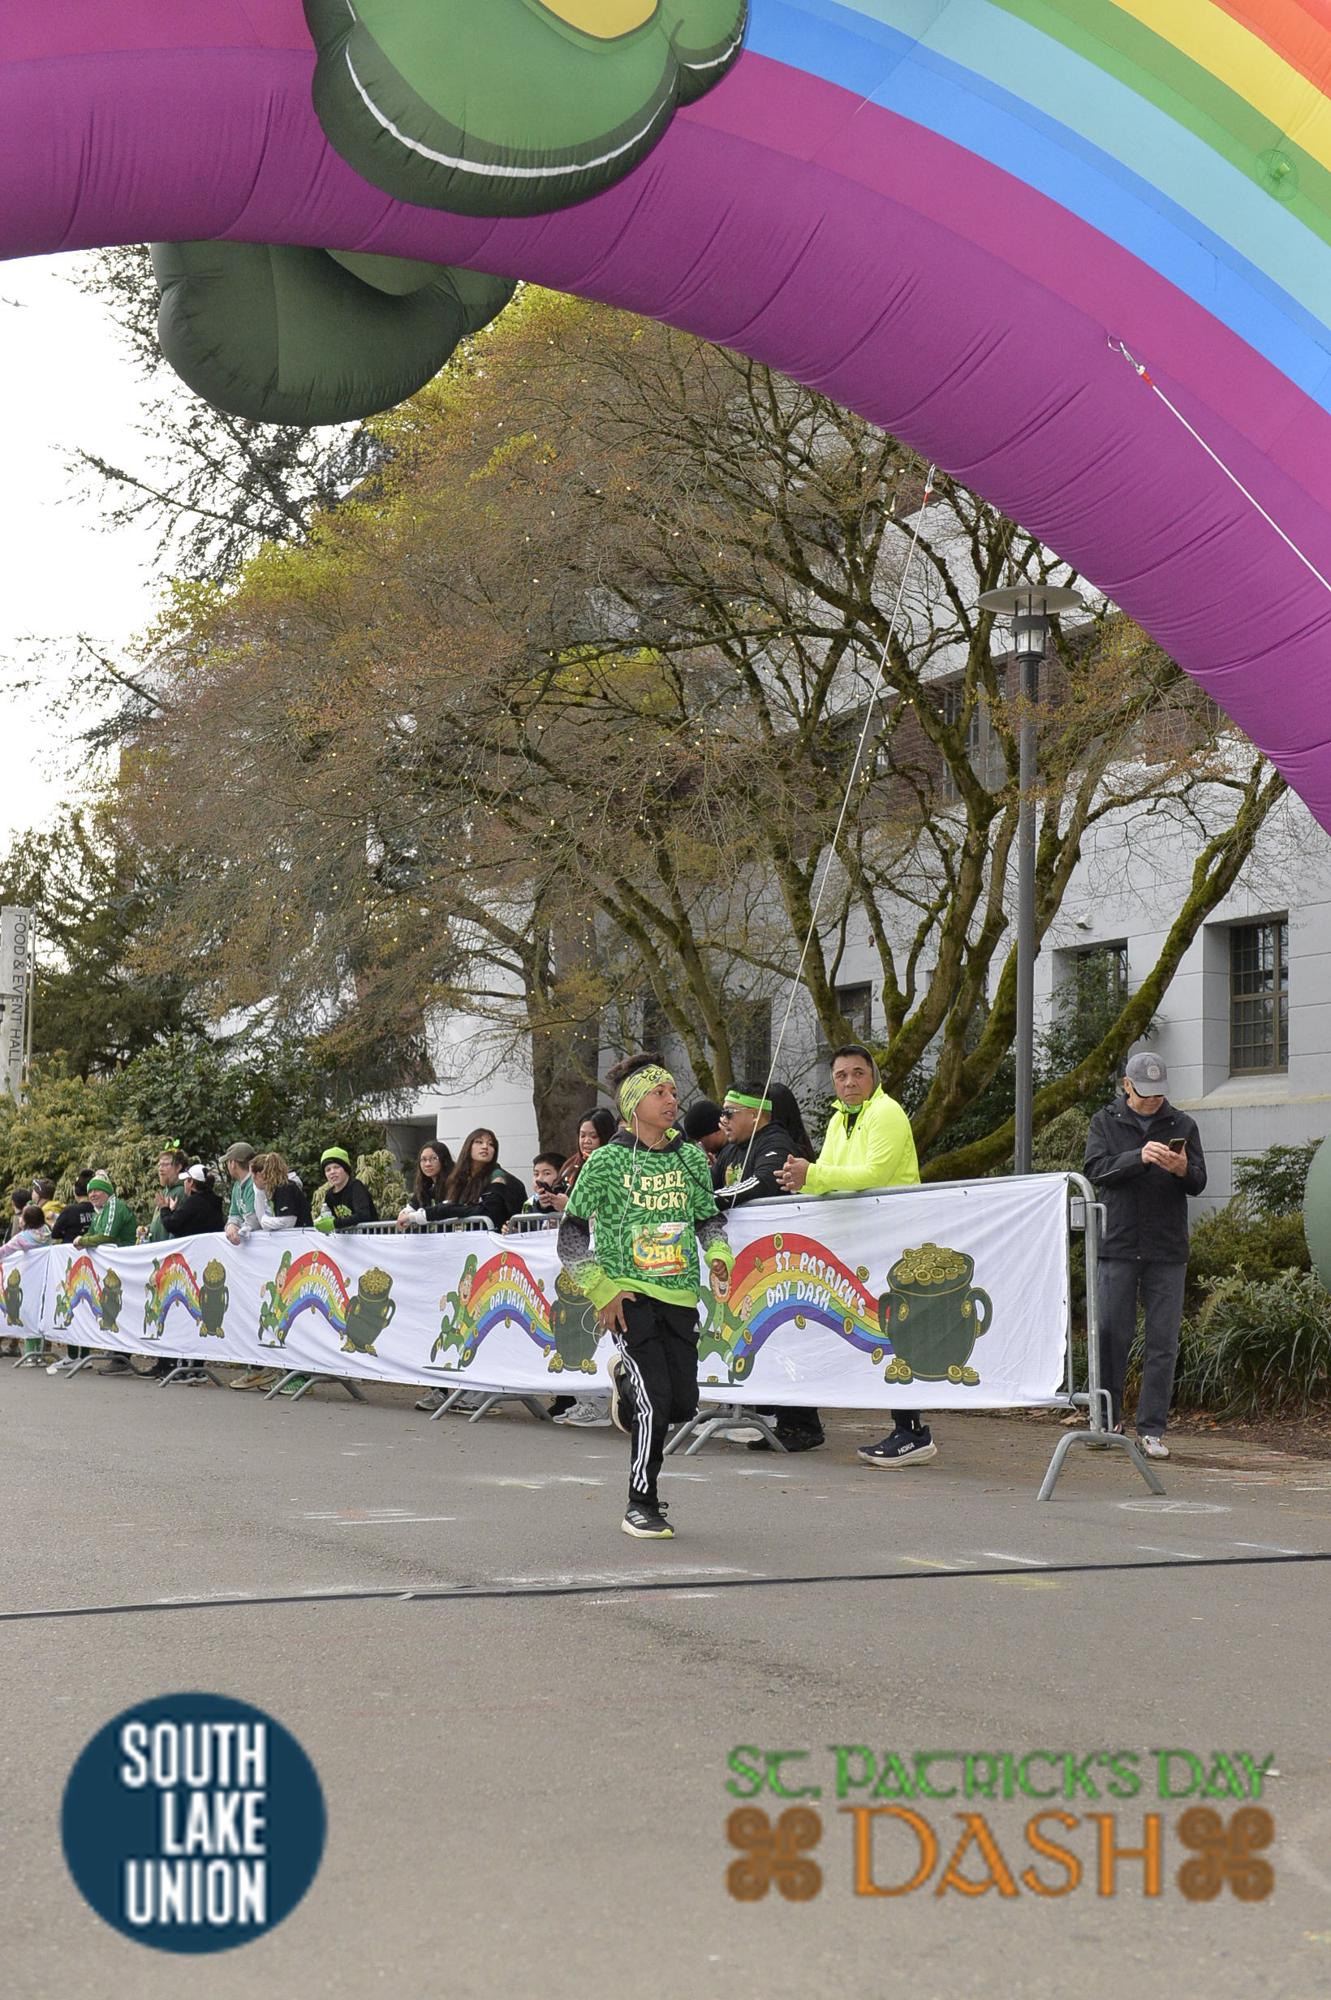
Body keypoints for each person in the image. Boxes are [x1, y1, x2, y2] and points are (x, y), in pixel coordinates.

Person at [559, 1055, 733, 1540]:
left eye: (673, 1092)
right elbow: (570, 1237)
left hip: (680, 1294)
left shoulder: (691, 1158)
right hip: (628, 1296)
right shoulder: (606, 1162)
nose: (672, 1099)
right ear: (634, 1104)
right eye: (660, 1093)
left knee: (681, 1404)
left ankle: (626, 1382)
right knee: (655, 1403)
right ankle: (641, 1503)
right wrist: (603, 1290)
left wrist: (719, 1255)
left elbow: (708, 1218)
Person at [776, 1044, 934, 1468]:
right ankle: (905, 1429)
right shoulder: (837, 1120)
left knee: (898, 1331)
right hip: (865, 1241)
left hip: (896, 1239)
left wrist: (812, 1174)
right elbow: (831, 1177)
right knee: (881, 1330)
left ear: (873, 1076)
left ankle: (912, 1431)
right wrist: (803, 1180)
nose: (849, 1082)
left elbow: (873, 1175)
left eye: (858, 1073)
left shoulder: (886, 1112)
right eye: (841, 1075)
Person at [1083, 1050, 1207, 1460]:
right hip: (1118, 1244)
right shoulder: (1105, 1121)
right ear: (1127, 1085)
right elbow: (1095, 1170)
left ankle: (1152, 1429)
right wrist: (1138, 1158)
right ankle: (1107, 1421)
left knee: (1163, 1342)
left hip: (1167, 1248)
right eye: (1145, 1092)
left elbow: (1198, 1181)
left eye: (1159, 1093)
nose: (1153, 1100)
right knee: (1111, 1335)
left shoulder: (1183, 1124)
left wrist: (1180, 1168)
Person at [715, 1081, 825, 1452]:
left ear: (755, 1114)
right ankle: (768, 1413)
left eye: (730, 1113)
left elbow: (762, 1183)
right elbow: (708, 1186)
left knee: (786, 1334)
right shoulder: (732, 1148)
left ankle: (802, 1424)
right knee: (756, 1336)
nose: (723, 1119)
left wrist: (711, 1201)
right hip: (748, 1264)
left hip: (781, 1261)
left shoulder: (775, 1142)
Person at [427, 1130, 526, 1231]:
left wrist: (447, 1210)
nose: (485, 1146)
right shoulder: (458, 1178)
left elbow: (489, 1212)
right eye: (479, 1142)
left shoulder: (499, 1177)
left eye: (491, 1144)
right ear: (468, 1147)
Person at [1, 1204, 52, 1360]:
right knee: (41, 1314)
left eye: (23, 1216)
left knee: (29, 1313)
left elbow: (5, 1251)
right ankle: (42, 1352)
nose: (20, 1219)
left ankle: (31, 1354)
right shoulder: (47, 1231)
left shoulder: (23, 1238)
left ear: (28, 1221)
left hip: (28, 1281)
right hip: (46, 1277)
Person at [395, 1141, 457, 1228]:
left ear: (444, 1160)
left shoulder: (455, 1183)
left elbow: (444, 1209)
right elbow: (411, 1207)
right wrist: (405, 1214)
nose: (427, 1164)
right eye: (423, 1160)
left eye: (434, 1158)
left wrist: (411, 1217)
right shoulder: (426, 1187)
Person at [317, 1147, 378, 1230]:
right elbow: (329, 1218)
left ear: (345, 1169)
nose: (332, 1172)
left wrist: (335, 1224)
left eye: (336, 1167)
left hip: (368, 1236)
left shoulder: (356, 1186)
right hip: (347, 1237)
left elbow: (363, 1215)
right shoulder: (329, 1195)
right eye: (328, 1170)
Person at [160, 1163, 227, 1236]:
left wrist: (164, 1208)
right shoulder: (214, 1200)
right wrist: (173, 1211)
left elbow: (171, 1225)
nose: (184, 1182)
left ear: (191, 1182)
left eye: (186, 1180)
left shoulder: (193, 1202)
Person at [560, 1108, 617, 1193]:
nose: (586, 1141)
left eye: (594, 1136)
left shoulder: (612, 1167)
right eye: (582, 1136)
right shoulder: (572, 1164)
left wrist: (567, 1201)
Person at [223, 1142, 269, 1243]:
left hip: (263, 1242)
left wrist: (236, 1230)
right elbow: (234, 1214)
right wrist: (231, 1226)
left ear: (233, 1163)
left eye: (228, 1162)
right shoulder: (237, 1185)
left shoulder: (255, 1183)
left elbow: (254, 1222)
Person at [254, 1152, 312, 1230]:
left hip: (302, 1232)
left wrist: (265, 1222)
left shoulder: (285, 1188)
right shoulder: (276, 1190)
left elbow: (288, 1221)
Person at [147, 1147, 189, 1242]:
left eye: (165, 1165)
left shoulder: (182, 1192)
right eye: (159, 1165)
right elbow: (160, 1222)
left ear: (178, 1167)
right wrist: (147, 1229)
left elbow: (176, 1226)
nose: (160, 1169)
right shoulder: (166, 1190)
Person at [51, 1171, 95, 1244]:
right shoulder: (99, 1209)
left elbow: (55, 1234)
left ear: (75, 1192)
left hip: (71, 1248)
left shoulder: (70, 1210)